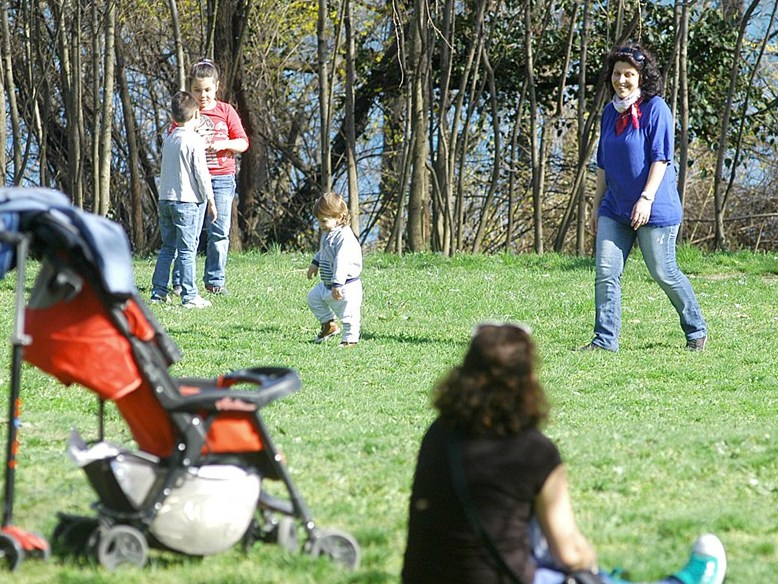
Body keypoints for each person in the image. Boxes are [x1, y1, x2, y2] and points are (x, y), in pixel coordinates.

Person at [402, 322, 727, 584]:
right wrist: (589, 567)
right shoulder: (534, 453)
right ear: (528, 380)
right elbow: (570, 552)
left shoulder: (439, 433)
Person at [582, 43, 707, 352]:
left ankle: (696, 330)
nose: (621, 80)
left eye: (629, 74)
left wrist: (646, 199)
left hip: (655, 207)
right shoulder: (610, 112)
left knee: (664, 272)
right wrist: (597, 207)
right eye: (616, 74)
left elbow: (661, 159)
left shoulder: (656, 109)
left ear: (641, 77)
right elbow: (603, 163)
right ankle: (604, 341)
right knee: (606, 272)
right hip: (616, 207)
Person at [174, 58, 249, 296]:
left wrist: (223, 143)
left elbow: (243, 142)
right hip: (192, 181)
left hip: (222, 179)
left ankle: (215, 281)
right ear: (190, 88)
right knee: (189, 233)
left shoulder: (226, 111)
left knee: (218, 232)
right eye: (197, 90)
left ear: (216, 86)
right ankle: (181, 281)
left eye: (207, 90)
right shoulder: (186, 113)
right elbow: (174, 141)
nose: (202, 95)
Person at [151, 91, 217, 309]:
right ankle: (189, 296)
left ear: (173, 118)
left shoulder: (169, 140)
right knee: (188, 250)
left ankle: (158, 292)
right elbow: (201, 173)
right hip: (187, 201)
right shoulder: (195, 141)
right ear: (197, 114)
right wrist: (211, 200)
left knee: (168, 247)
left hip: (165, 200)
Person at [306, 192, 363, 348]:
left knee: (349, 315)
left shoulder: (345, 238)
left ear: (339, 217)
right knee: (313, 298)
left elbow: (342, 261)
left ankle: (350, 340)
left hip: (346, 285)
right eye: (319, 221)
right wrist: (315, 263)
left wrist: (338, 284)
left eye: (324, 221)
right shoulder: (330, 233)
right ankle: (329, 325)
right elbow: (325, 251)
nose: (321, 225)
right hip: (328, 283)